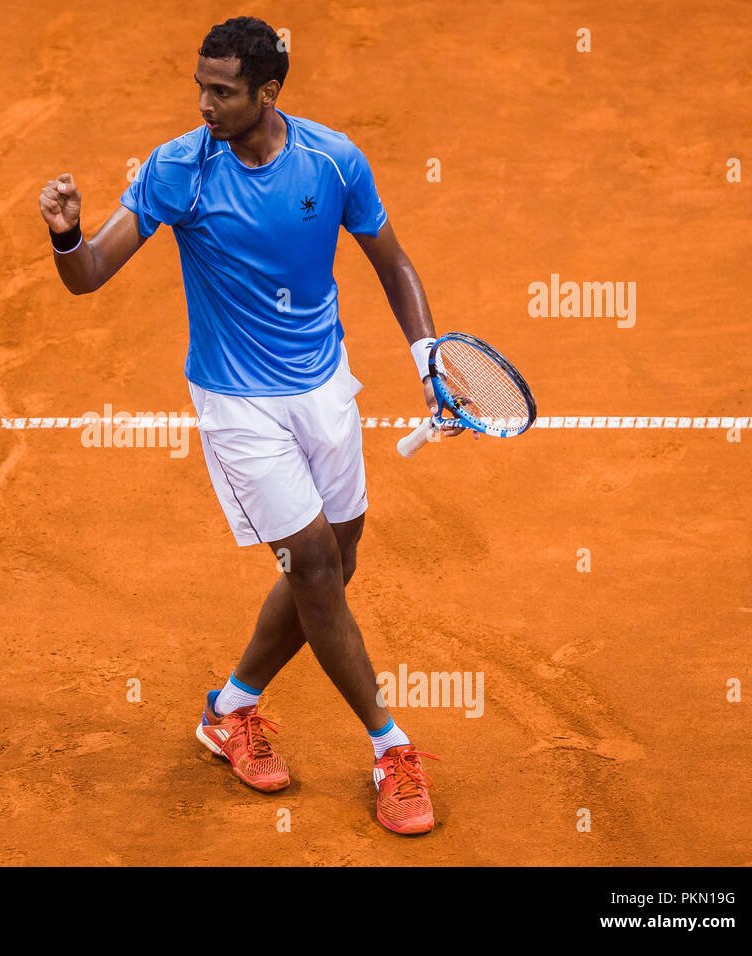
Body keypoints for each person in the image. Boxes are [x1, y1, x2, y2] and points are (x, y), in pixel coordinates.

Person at [38, 15, 460, 835]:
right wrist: (64, 234)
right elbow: (89, 276)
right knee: (309, 562)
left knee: (338, 558)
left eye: (222, 91)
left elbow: (392, 261)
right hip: (237, 403)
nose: (203, 103)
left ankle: (229, 709)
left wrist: (427, 359)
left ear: (268, 92)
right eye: (199, 85)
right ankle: (390, 747)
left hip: (325, 386)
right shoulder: (177, 172)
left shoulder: (333, 161)